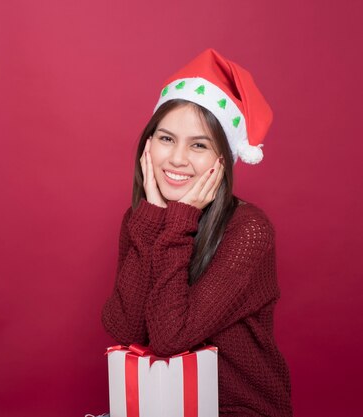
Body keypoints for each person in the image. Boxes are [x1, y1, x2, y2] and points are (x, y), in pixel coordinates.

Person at [101, 49, 293, 417]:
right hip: (161, 405)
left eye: (199, 145)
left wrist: (179, 219)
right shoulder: (141, 219)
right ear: (148, 145)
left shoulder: (249, 230)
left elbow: (170, 338)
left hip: (237, 409)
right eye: (166, 139)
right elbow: (124, 327)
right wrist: (154, 218)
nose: (176, 159)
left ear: (224, 159)